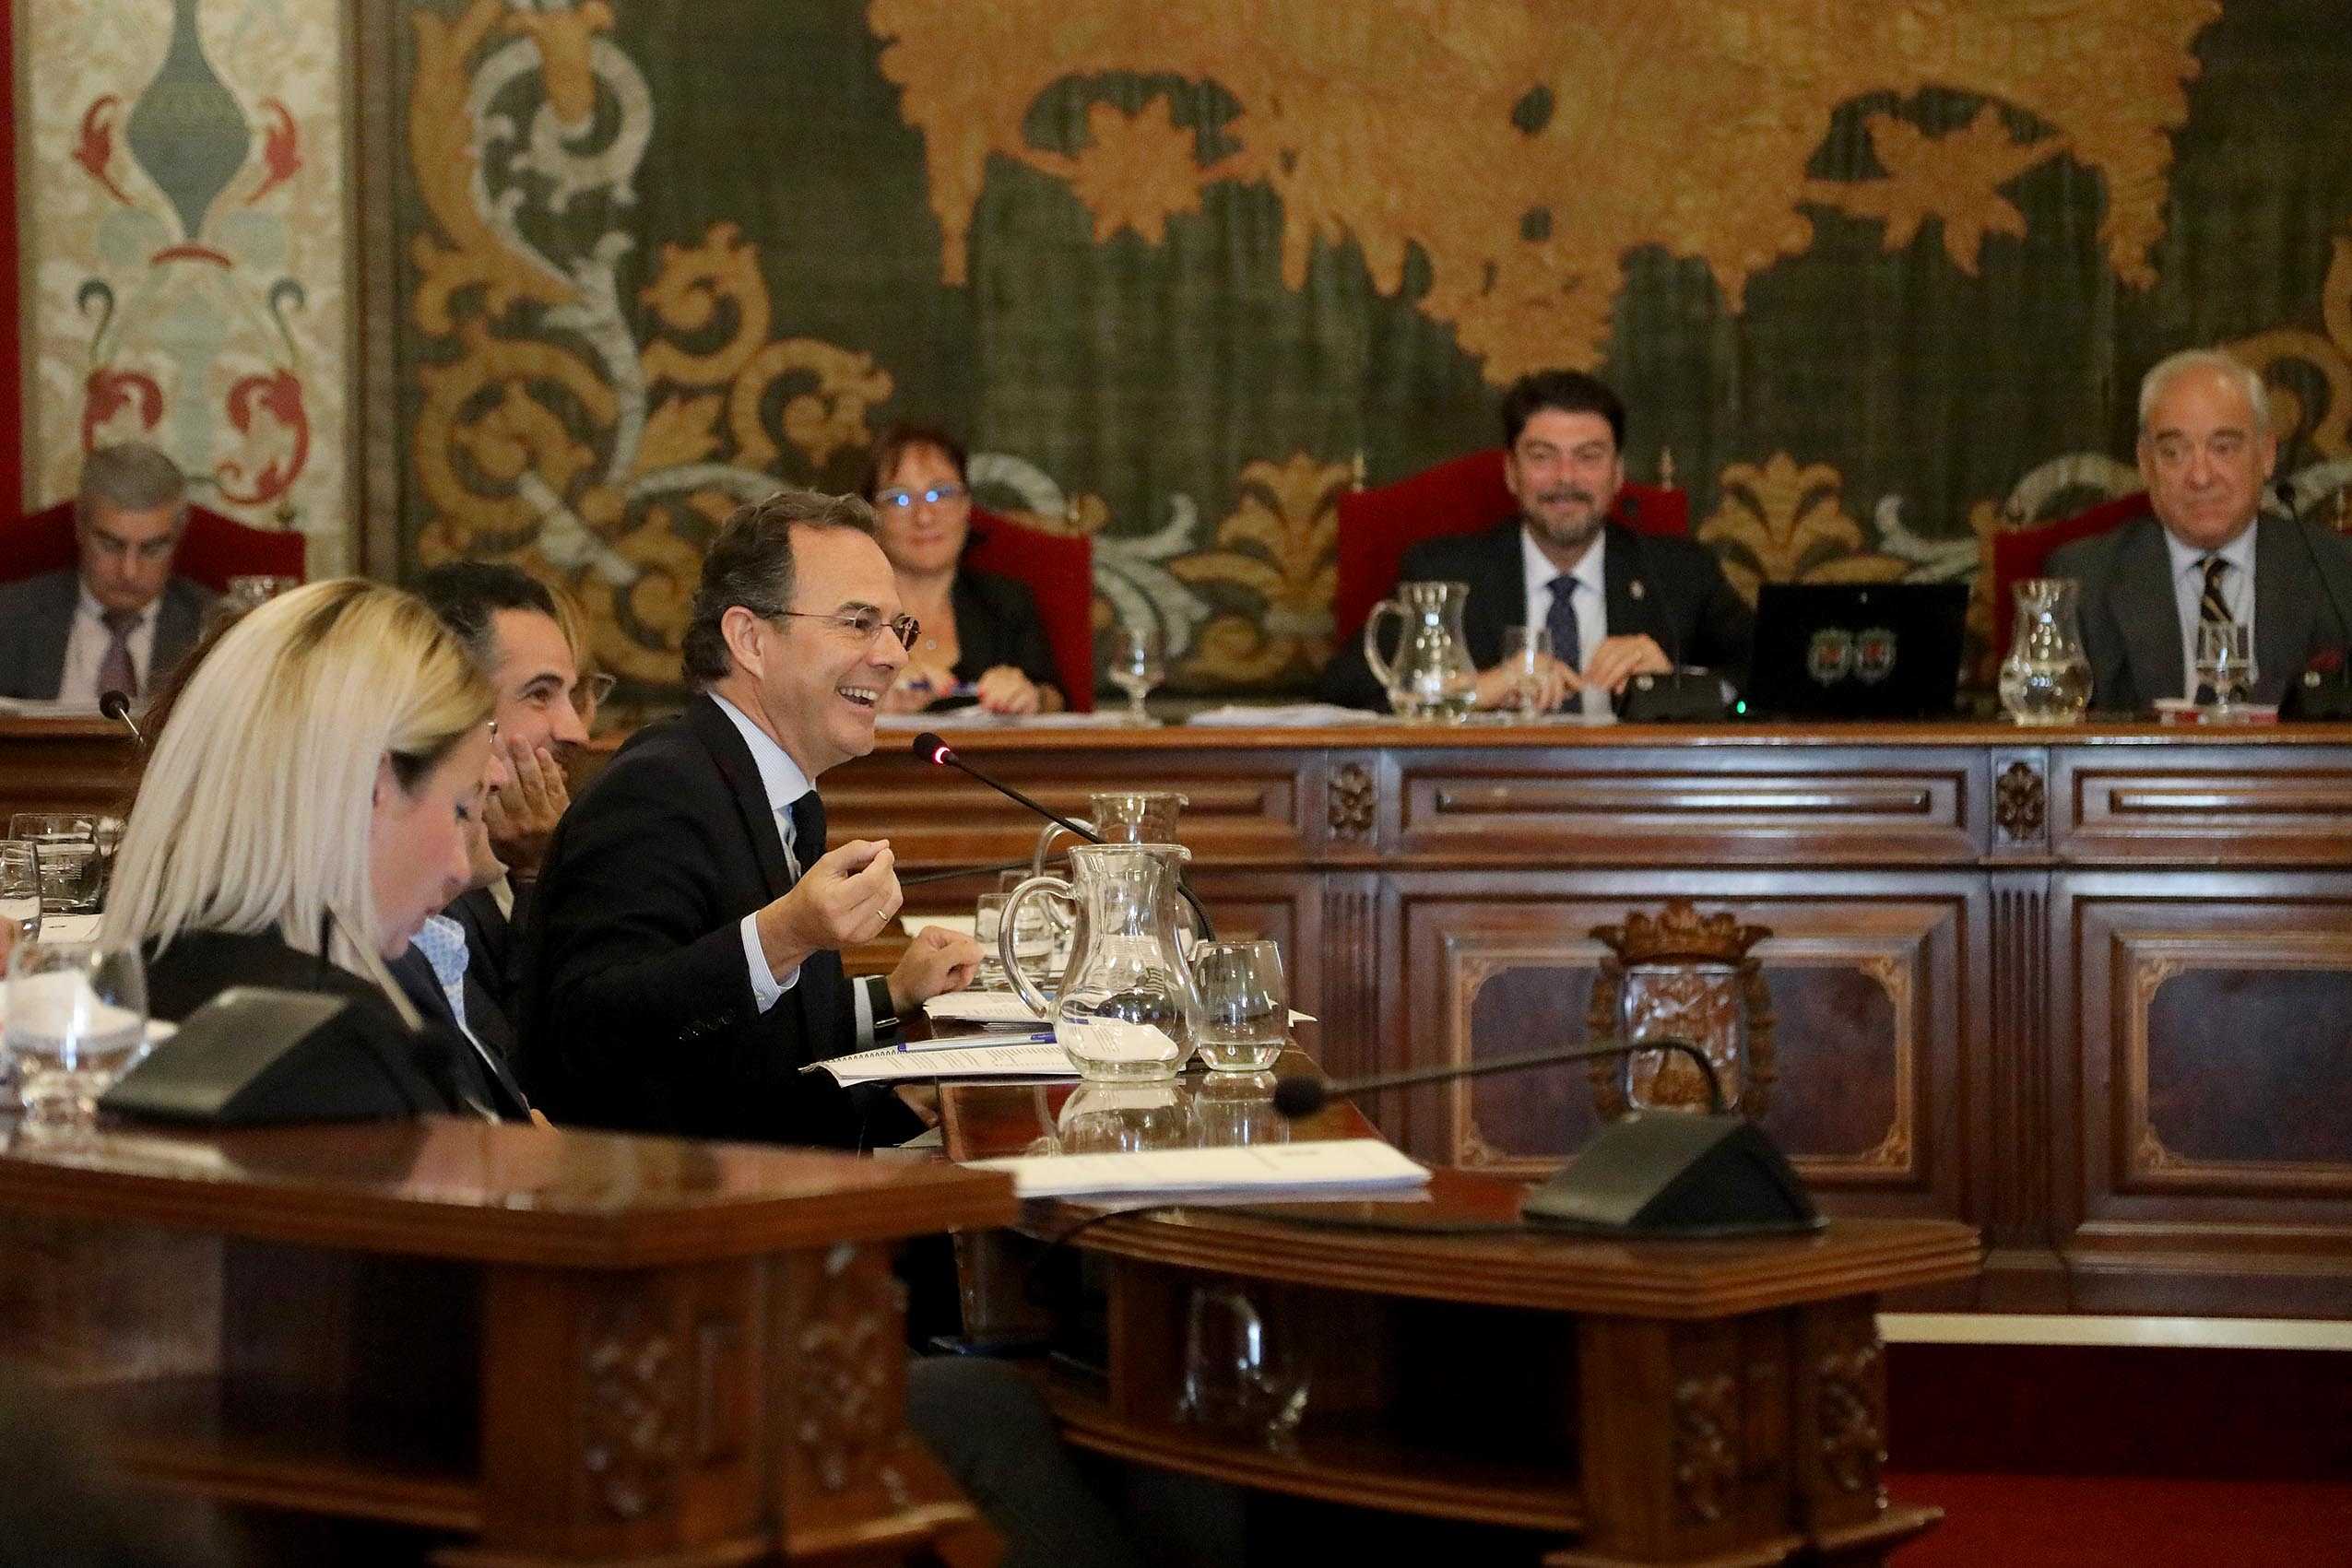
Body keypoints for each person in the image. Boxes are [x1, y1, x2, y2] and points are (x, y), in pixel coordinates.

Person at [521, 489, 983, 1146]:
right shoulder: (660, 787)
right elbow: (589, 1036)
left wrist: (895, 997)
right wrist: (781, 935)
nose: (893, 655)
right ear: (749, 639)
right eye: (857, 622)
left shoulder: (777, 789)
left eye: (896, 627)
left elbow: (764, 1034)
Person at [99, 579, 528, 1118]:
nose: (460, 868)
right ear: (373, 787)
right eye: (461, 809)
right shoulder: (346, 1054)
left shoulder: (126, 989)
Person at [1319, 370, 1754, 713]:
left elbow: (1773, 683)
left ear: (1618, 473)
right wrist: (1472, 689)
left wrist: (1679, 684)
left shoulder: (1678, 572)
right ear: (1511, 472)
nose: (1566, 478)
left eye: (1588, 457)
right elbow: (1344, 687)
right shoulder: (1446, 571)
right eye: (1543, 457)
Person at [2048, 348, 2352, 712]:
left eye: (2223, 448)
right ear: (2145, 463)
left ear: (2267, 455)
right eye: (2174, 452)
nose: (2200, 477)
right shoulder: (2085, 580)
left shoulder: (2337, 571)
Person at [408, 562, 595, 1055]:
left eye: (574, 697)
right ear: (455, 703)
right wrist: (538, 874)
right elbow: (518, 1068)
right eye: (540, 695)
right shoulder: (419, 879)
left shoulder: (521, 846)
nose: (575, 731)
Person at [861, 424, 1063, 714]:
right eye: (900, 498)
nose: (925, 516)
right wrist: (868, 700)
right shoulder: (847, 613)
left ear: (967, 506)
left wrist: (1031, 696)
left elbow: (1054, 697)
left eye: (940, 493)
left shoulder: (1005, 601)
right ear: (872, 515)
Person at [0, 442, 213, 702]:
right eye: (111, 545)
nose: (129, 572)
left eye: (152, 548)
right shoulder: (10, 617)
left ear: (179, 536)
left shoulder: (213, 629)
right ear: (79, 525)